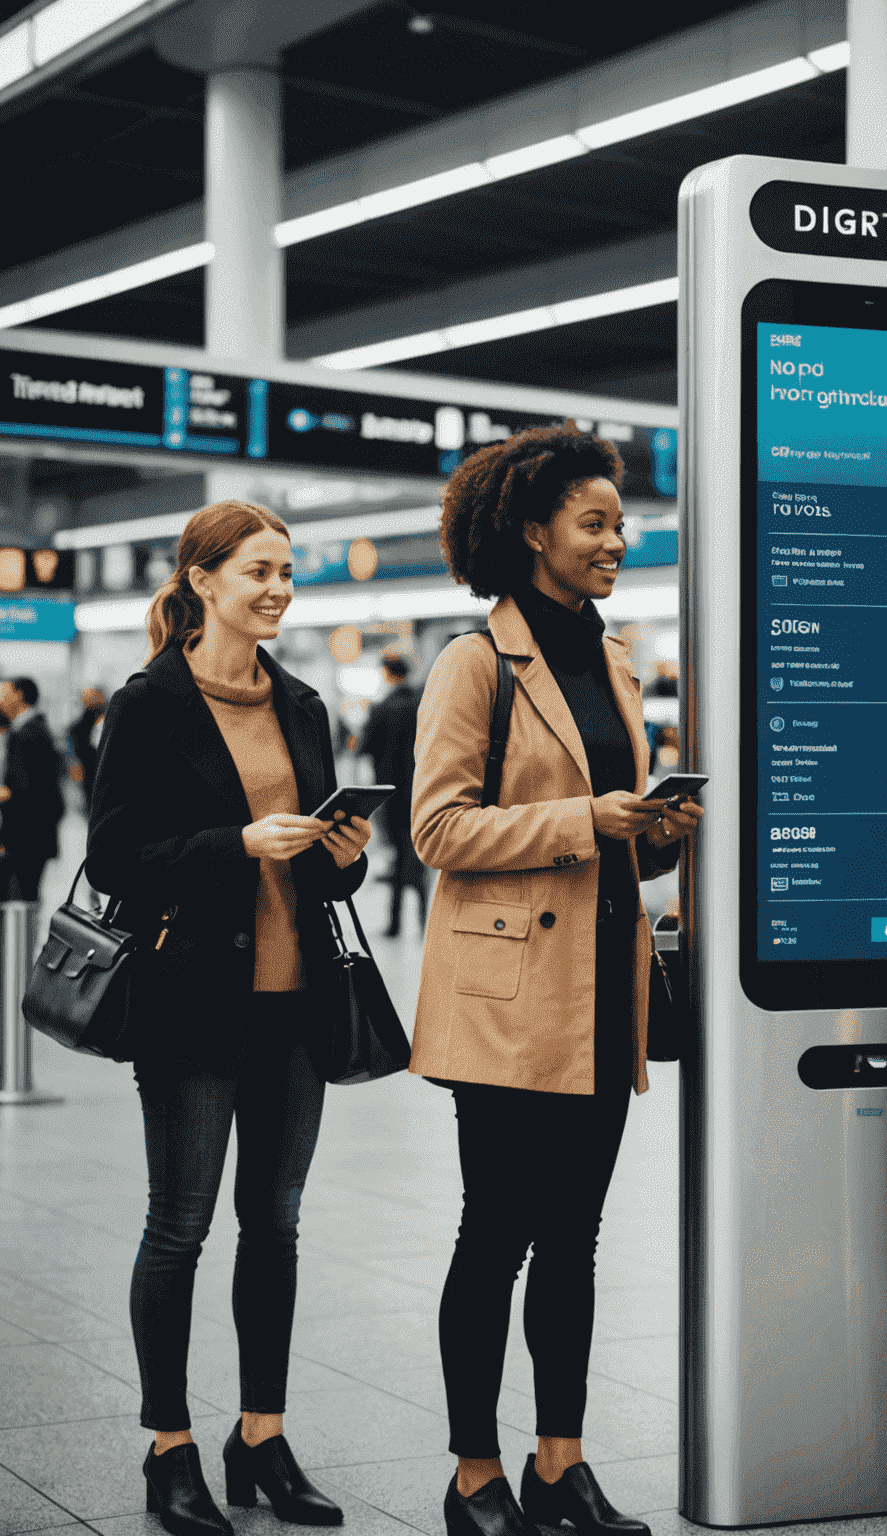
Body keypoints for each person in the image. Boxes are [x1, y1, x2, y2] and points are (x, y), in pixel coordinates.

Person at [409, 425, 701, 1536]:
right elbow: (439, 829)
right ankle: (473, 1473)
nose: (617, 541)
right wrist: (588, 818)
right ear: (532, 532)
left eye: (619, 523)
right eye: (595, 523)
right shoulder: (473, 662)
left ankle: (558, 1465)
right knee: (497, 1230)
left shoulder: (613, 659)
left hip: (601, 991)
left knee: (573, 1239)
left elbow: (612, 830)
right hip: (509, 1000)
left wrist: (657, 831)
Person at [87, 501, 373, 1536]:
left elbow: (330, 850)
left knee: (277, 1225)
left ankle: (263, 1434)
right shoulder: (150, 702)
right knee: (181, 1225)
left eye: (288, 572)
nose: (278, 589)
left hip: (298, 1003)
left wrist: (347, 856)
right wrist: (236, 844)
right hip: (192, 1003)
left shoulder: (300, 703)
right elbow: (113, 857)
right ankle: (170, 1448)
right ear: (202, 580)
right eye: (259, 571)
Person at [359, 654, 425, 935]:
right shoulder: (423, 703)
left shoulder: (382, 708)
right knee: (422, 851)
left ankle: (395, 922)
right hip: (422, 789)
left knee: (398, 853)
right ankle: (424, 920)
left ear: (387, 674)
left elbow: (364, 747)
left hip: (391, 793)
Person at [0, 676, 65, 901]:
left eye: (3, 691)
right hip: (30, 833)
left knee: (22, 897)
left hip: (28, 833)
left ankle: (23, 937)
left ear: (19, 694)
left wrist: (5, 793)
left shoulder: (30, 732)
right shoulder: (28, 728)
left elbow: (28, 787)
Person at [68, 685, 108, 803]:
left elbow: (74, 762)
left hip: (90, 780)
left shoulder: (75, 729)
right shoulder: (111, 720)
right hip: (97, 779)